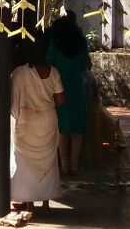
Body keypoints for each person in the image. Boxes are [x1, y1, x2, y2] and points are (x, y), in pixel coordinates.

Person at [10, 40, 66, 211]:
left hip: (26, 122)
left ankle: (28, 202)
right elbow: (60, 100)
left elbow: (10, 100)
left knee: (25, 161)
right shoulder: (53, 72)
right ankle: (46, 203)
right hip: (47, 122)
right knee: (48, 161)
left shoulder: (18, 73)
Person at [47, 14, 90, 176]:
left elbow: (50, 64)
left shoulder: (54, 45)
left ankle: (64, 166)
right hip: (78, 89)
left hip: (58, 88)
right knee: (77, 129)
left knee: (62, 128)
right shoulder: (80, 44)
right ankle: (74, 165)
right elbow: (85, 66)